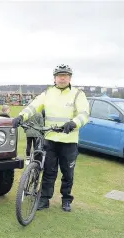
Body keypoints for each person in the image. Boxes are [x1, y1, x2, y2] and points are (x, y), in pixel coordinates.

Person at [12, 64, 89, 212]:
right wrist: (21, 116)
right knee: (48, 171)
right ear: (54, 78)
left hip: (69, 141)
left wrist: (74, 123)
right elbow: (34, 106)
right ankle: (44, 199)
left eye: (65, 75)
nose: (62, 78)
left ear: (70, 78)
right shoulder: (48, 93)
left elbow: (84, 114)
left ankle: (66, 199)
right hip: (51, 139)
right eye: (59, 75)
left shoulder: (78, 94)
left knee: (67, 173)